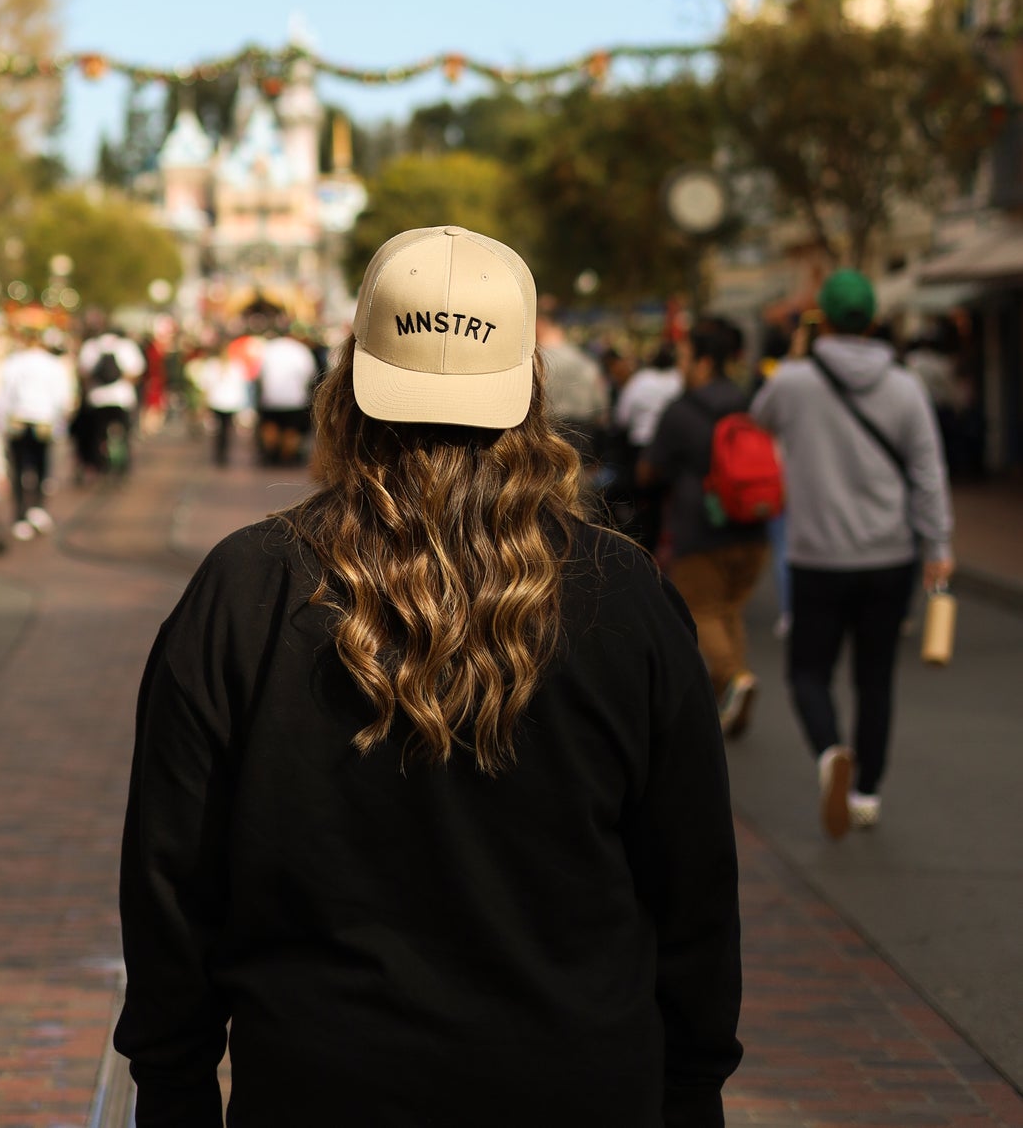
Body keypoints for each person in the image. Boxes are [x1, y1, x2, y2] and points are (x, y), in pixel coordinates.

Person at [116, 224, 742, 1127]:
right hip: (580, 1080)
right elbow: (691, 883)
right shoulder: (625, 594)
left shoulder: (247, 586)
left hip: (317, 1082)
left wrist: (171, 1084)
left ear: (348, 380)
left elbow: (171, 874)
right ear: (528, 387)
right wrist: (692, 1085)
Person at [753, 269, 953, 839]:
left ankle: (828, 753)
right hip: (891, 557)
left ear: (821, 318)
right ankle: (866, 793)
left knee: (810, 672)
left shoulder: (794, 381)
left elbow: (758, 418)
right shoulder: (904, 384)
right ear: (872, 318)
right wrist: (938, 545)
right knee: (876, 679)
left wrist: (795, 355)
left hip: (818, 556)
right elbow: (928, 472)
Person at [642, 317, 769, 739]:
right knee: (728, 608)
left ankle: (734, 680)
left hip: (701, 530)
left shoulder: (682, 411)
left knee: (701, 609)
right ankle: (736, 689)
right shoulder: (745, 401)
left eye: (683, 356)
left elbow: (650, 469)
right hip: (753, 525)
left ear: (703, 362)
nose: (679, 364)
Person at [0, 328, 75, 538]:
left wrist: (1, 422)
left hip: (19, 420)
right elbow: (62, 397)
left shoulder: (14, 362)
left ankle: (21, 514)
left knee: (19, 468)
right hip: (43, 421)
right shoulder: (53, 364)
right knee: (41, 465)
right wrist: (59, 424)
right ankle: (37, 508)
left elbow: (3, 394)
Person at [613, 343, 683, 553]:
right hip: (671, 448)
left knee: (643, 503)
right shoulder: (678, 380)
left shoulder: (640, 381)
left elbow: (622, 417)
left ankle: (643, 546)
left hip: (640, 446)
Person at [534, 295, 609, 460]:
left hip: (544, 449)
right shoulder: (588, 363)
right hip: (583, 448)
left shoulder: (534, 365)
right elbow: (602, 410)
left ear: (539, 324)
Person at [75, 322, 145, 478]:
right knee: (124, 434)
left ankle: (99, 464)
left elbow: (83, 373)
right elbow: (136, 373)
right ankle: (122, 466)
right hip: (122, 399)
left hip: (97, 399)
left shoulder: (91, 346)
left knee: (96, 434)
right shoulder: (127, 346)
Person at [255, 324, 318, 465]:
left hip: (270, 398)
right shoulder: (301, 350)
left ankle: (272, 455)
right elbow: (310, 375)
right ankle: (286, 458)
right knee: (291, 430)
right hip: (295, 398)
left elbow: (259, 374)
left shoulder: (267, 349)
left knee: (270, 427)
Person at [197, 339, 250, 466]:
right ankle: (222, 453)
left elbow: (205, 385)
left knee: (220, 429)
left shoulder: (215, 365)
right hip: (228, 402)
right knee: (225, 429)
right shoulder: (235, 366)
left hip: (220, 402)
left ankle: (220, 453)